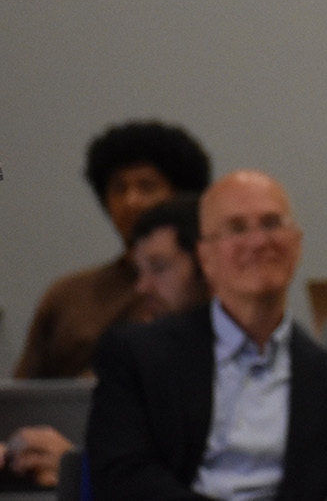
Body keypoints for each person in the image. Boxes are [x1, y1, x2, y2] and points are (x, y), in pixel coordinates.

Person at [86, 170, 327, 501]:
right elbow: (119, 479)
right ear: (205, 256)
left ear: (296, 244)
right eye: (237, 228)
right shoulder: (137, 357)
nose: (258, 242)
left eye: (272, 223)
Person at [0, 194, 213, 492]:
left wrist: (77, 468)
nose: (143, 287)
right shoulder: (142, 361)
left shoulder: (240, 362)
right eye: (140, 271)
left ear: (209, 265)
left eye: (160, 267)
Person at [15, 120, 212, 378]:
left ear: (181, 195)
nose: (131, 201)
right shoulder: (67, 296)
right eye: (119, 188)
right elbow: (21, 401)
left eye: (147, 186)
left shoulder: (209, 288)